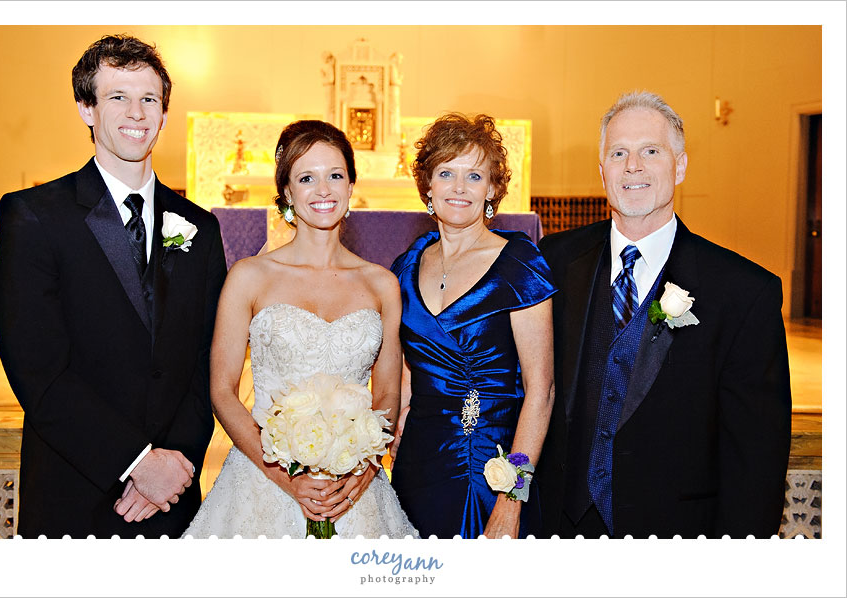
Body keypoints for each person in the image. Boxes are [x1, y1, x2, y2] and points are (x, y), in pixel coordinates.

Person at [0, 35, 227, 538]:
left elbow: (208, 360)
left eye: (150, 99)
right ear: (86, 109)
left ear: (164, 114)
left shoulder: (199, 228)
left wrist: (176, 463)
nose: (136, 113)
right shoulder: (34, 217)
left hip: (171, 498)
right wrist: (138, 463)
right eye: (118, 97)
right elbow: (38, 369)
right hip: (75, 490)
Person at [536, 91, 792, 538]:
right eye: (618, 153)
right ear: (602, 172)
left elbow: (756, 455)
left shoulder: (745, 292)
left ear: (679, 166)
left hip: (675, 537)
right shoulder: (552, 262)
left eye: (650, 151)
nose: (632, 166)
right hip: (558, 528)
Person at [182, 120, 417, 538]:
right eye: (307, 178)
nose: (323, 190)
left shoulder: (381, 283)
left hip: (354, 489)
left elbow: (386, 393)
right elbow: (221, 390)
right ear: (288, 192)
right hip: (262, 478)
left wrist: (363, 469)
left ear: (350, 186)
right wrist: (283, 475)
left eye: (335, 176)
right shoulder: (250, 277)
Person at [389, 113, 557, 539]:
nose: (459, 188)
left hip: (492, 462)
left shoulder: (519, 265)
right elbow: (410, 358)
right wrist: (398, 418)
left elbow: (543, 390)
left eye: (474, 175)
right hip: (419, 456)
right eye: (446, 173)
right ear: (427, 186)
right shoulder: (407, 265)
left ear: (493, 189)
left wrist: (512, 499)